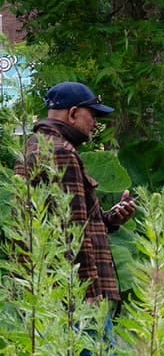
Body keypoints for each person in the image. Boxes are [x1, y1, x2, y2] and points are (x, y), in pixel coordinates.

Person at [14, 81, 136, 308]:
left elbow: (54, 219)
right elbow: (71, 228)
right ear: (72, 113)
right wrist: (88, 291)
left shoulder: (32, 145)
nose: (95, 123)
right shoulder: (60, 152)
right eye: (93, 115)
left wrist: (110, 219)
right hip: (71, 293)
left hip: (45, 285)